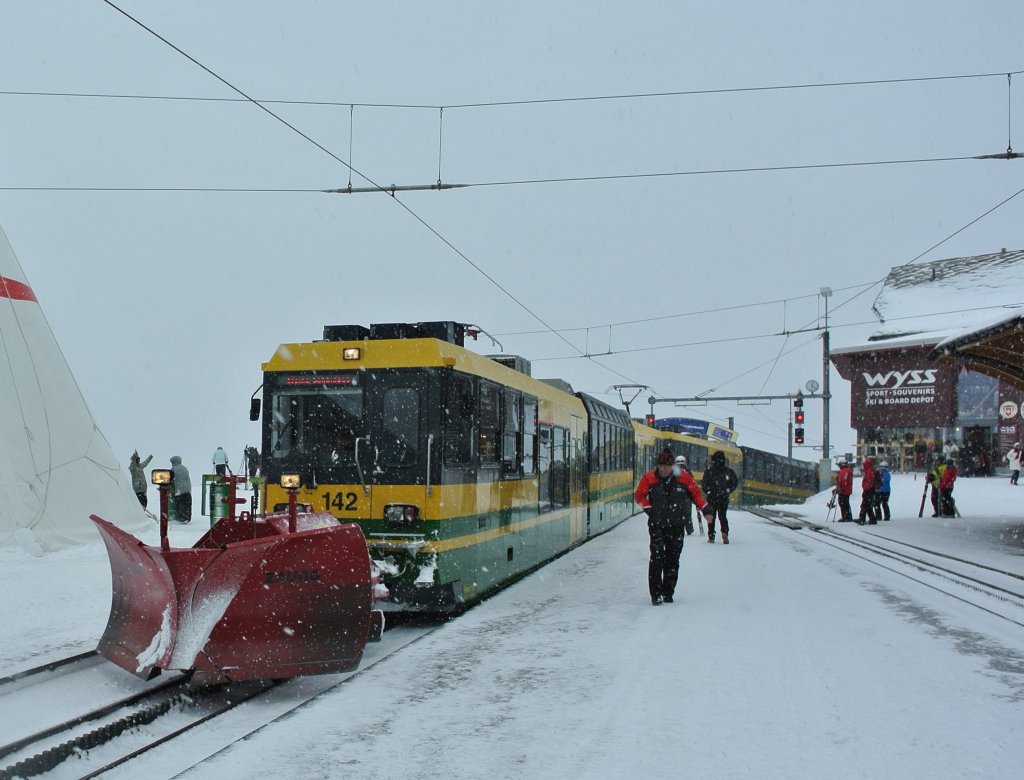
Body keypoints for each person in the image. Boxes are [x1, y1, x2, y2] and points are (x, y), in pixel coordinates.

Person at [635, 448, 713, 605]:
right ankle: (656, 594)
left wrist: (706, 510)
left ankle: (668, 592)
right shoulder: (650, 478)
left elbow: (696, 495)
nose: (663, 469)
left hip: (677, 525)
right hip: (657, 524)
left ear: (672, 466)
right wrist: (649, 509)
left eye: (666, 465)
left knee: (672, 559)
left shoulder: (683, 478)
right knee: (656, 558)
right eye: (660, 465)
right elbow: (639, 495)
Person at [701, 450, 739, 543]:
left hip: (712, 498)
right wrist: (728, 490)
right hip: (723, 498)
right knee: (723, 516)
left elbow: (704, 483)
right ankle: (724, 532)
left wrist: (708, 491)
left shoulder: (709, 471)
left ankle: (711, 536)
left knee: (711, 517)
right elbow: (734, 482)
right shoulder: (729, 472)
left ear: (713, 460)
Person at [673, 454, 695, 535]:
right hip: (687, 497)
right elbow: (692, 485)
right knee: (687, 514)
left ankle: (676, 528)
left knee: (675, 513)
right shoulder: (689, 473)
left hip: (676, 497)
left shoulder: (674, 472)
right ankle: (689, 529)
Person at [170, 455, 192, 523]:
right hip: (188, 489)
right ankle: (187, 518)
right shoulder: (184, 468)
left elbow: (170, 480)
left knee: (179, 504)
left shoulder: (173, 469)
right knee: (187, 505)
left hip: (179, 490)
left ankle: (182, 518)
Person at [857, 457, 878, 525]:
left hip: (868, 490)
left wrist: (866, 488)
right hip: (870, 490)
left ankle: (862, 519)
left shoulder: (869, 471)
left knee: (865, 505)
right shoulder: (870, 470)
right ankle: (872, 519)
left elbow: (869, 481)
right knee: (868, 505)